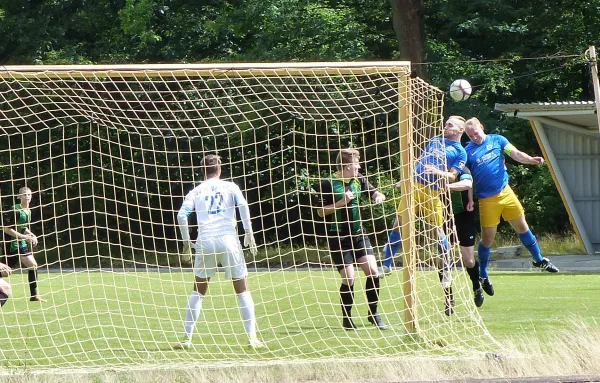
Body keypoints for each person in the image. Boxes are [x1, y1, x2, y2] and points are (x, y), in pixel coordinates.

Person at [173, 154, 263, 349]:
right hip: (228, 239)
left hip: (205, 241)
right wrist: (248, 232)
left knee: (198, 291)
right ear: (220, 169)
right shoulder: (231, 187)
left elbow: (182, 216)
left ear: (202, 170)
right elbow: (243, 205)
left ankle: (187, 338)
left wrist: (187, 242)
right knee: (242, 289)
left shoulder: (196, 191)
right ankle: (252, 338)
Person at [381, 116, 468, 316]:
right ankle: (386, 265)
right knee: (398, 224)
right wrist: (405, 180)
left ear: (459, 130)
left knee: (437, 232)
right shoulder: (435, 141)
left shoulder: (460, 151)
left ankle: (446, 268)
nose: (445, 126)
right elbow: (420, 162)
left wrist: (438, 171)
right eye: (445, 123)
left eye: (450, 125)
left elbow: (452, 175)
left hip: (432, 191)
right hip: (415, 187)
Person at [464, 118, 559, 297]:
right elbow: (466, 179)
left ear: (482, 127)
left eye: (475, 133)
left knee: (522, 227)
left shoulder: (497, 140)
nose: (474, 137)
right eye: (470, 135)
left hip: (506, 193)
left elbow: (514, 153)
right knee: (487, 240)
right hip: (487, 200)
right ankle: (483, 274)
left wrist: (530, 160)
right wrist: (469, 198)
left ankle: (538, 260)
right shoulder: (468, 152)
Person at [315, 148, 388, 330]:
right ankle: (347, 319)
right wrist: (341, 203)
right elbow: (320, 212)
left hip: (359, 234)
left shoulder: (359, 180)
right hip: (338, 237)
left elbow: (376, 192)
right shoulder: (327, 183)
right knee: (349, 278)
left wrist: (379, 196)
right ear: (347, 166)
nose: (359, 166)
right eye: (357, 163)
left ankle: (373, 314)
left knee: (373, 271)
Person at [446, 166, 484, 308]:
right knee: (444, 258)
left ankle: (476, 287)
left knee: (468, 260)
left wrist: (469, 199)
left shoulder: (462, 169)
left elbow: (467, 184)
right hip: (442, 218)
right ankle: (448, 297)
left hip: (463, 216)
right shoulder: (434, 168)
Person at [2, 186, 44, 302]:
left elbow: (23, 227)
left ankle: (34, 295)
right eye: (24, 195)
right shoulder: (15, 210)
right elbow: (7, 229)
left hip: (21, 244)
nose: (27, 197)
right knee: (5, 271)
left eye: (29, 195)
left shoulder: (28, 211)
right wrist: (24, 237)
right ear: (19, 196)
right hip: (10, 244)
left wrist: (31, 235)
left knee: (33, 265)